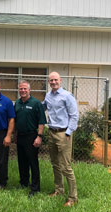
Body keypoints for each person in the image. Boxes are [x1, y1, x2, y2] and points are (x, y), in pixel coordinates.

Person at [43, 72, 79, 207]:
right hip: (51, 132)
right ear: (48, 82)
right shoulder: (48, 95)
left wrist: (68, 133)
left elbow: (74, 116)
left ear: (60, 80)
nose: (53, 82)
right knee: (55, 164)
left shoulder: (67, 96)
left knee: (66, 166)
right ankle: (59, 190)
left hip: (64, 134)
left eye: (55, 80)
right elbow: (43, 107)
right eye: (51, 80)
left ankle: (72, 198)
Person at [14, 80, 46, 197]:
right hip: (20, 136)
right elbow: (15, 121)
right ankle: (24, 183)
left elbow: (41, 121)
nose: (22, 91)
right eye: (21, 89)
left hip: (32, 136)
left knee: (33, 162)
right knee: (22, 161)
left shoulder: (36, 103)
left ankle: (35, 188)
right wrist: (15, 136)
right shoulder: (17, 103)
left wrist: (39, 136)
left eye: (25, 89)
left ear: (29, 90)